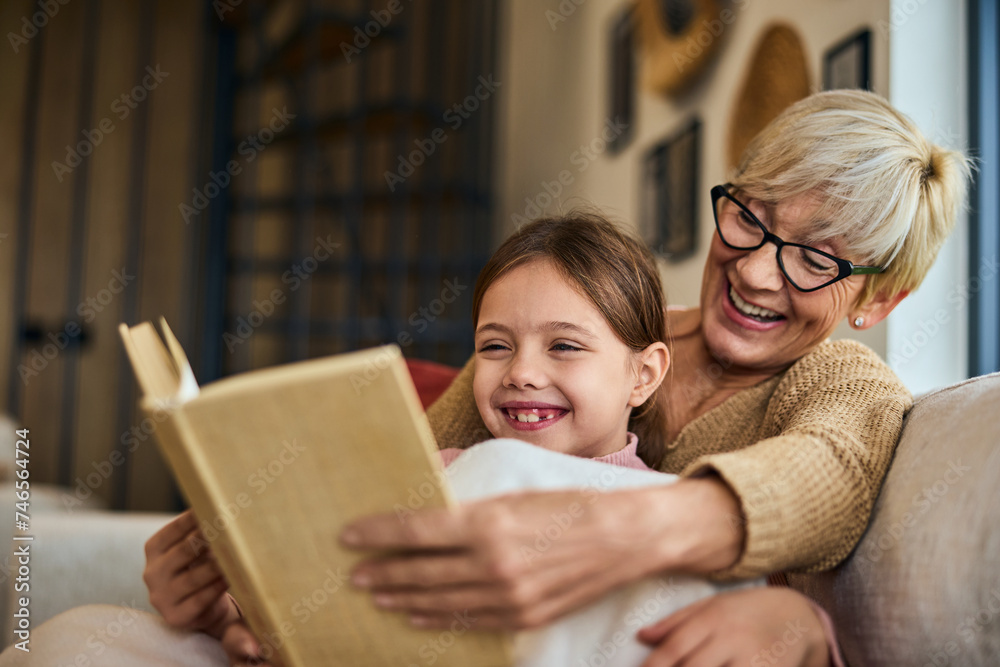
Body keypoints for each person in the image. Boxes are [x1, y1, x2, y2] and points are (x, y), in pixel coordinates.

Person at [330, 90, 971, 665]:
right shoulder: (572, 326)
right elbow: (412, 483)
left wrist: (627, 532)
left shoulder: (841, 380)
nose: (755, 273)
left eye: (814, 258)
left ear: (879, 303)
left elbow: (833, 468)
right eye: (751, 217)